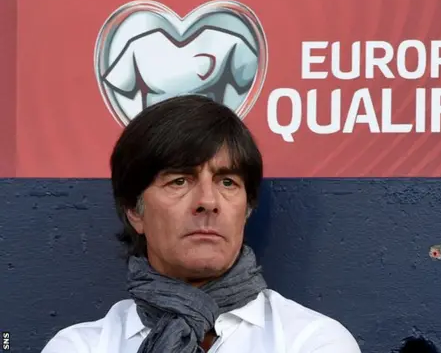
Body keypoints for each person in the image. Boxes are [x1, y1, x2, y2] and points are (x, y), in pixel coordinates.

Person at [41, 95, 361, 353]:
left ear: (246, 209)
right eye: (180, 181)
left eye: (227, 182)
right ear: (134, 211)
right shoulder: (81, 346)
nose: (208, 201)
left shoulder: (313, 342)